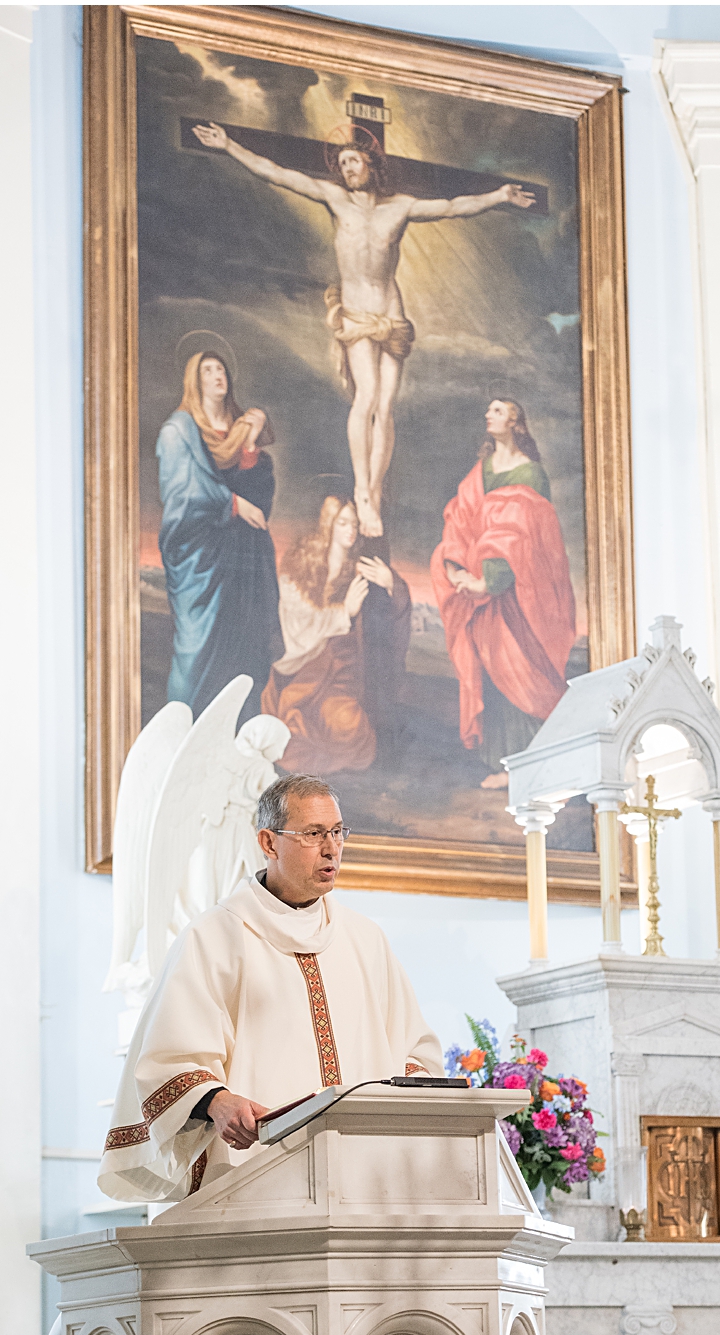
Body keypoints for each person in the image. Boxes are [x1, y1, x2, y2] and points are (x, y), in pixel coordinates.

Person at [97, 773, 440, 1203]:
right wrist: (218, 1102)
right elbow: (171, 1057)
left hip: (366, 1182)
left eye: (337, 832)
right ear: (269, 842)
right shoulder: (216, 936)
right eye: (313, 834)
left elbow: (414, 1052)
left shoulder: (365, 940)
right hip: (257, 1179)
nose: (332, 848)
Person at [190, 121, 537, 537]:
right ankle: (363, 490)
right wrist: (229, 145)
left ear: (371, 165)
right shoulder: (335, 198)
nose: (348, 168)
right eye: (342, 163)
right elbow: (278, 173)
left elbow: (451, 205)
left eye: (354, 160)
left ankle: (372, 489)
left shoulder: (401, 207)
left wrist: (499, 196)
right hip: (356, 314)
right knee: (367, 396)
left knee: (386, 405)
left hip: (391, 313)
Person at [430, 398, 578, 789]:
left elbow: (525, 534)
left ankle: (535, 764)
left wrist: (492, 580)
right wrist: (456, 567)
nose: (488, 415)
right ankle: (504, 764)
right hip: (482, 601)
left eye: (497, 410)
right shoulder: (479, 474)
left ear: (515, 421)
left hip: (519, 595)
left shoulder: (531, 474)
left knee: (523, 668)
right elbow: (460, 521)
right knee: (492, 671)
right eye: (489, 411)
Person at [156, 349, 281, 720]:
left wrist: (249, 447)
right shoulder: (179, 432)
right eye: (207, 370)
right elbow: (184, 496)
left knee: (247, 649)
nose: (216, 375)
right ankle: (184, 735)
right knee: (198, 651)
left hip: (245, 561)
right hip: (203, 558)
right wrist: (233, 505)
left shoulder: (243, 432)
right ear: (194, 380)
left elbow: (260, 502)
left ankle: (241, 739)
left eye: (221, 369)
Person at [260, 494, 409, 774]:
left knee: (350, 726)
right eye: (342, 523)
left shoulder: (360, 570)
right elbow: (297, 624)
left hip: (344, 674)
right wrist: (344, 612)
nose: (350, 530)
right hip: (306, 670)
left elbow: (386, 620)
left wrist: (392, 585)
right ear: (329, 524)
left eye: (354, 524)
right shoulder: (300, 567)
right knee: (291, 733)